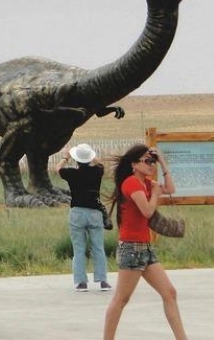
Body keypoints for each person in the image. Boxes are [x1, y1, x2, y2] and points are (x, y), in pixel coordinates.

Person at [103, 144, 186, 340]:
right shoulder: (131, 183)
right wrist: (156, 194)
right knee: (121, 299)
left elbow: (171, 188)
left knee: (170, 293)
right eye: (147, 161)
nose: (151, 165)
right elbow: (147, 211)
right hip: (131, 248)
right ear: (134, 165)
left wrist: (162, 161)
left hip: (145, 248)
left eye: (152, 161)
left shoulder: (147, 183)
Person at [54, 143, 112, 292]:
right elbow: (100, 163)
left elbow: (57, 169)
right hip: (94, 212)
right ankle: (103, 280)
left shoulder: (72, 173)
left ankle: (81, 282)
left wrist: (65, 157)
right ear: (90, 158)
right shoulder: (97, 171)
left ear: (76, 159)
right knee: (98, 247)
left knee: (79, 248)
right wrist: (92, 155)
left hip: (77, 212)